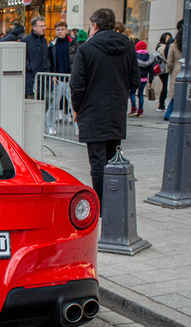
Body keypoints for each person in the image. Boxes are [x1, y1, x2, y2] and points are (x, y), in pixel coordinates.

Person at [70, 8, 140, 207]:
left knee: (97, 162)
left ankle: (101, 204)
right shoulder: (127, 46)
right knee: (113, 159)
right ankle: (114, 201)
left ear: (95, 25)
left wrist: (78, 108)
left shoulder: (85, 49)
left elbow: (76, 85)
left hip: (92, 112)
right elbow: (135, 81)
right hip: (116, 111)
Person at [46, 20, 73, 135]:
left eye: (62, 29)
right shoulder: (52, 45)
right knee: (54, 104)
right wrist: (52, 75)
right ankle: (51, 126)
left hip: (71, 78)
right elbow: (50, 61)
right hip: (58, 78)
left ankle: (78, 126)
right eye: (58, 29)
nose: (60, 31)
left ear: (66, 30)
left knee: (73, 104)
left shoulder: (73, 43)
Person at [22, 16, 51, 99]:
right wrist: (30, 67)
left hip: (43, 77)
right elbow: (21, 58)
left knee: (50, 97)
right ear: (34, 27)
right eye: (41, 26)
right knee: (33, 102)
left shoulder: (44, 40)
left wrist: (48, 69)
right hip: (31, 78)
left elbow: (46, 57)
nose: (44, 28)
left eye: (44, 26)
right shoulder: (26, 40)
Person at [128, 41, 154, 118]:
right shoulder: (149, 57)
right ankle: (141, 111)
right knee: (141, 94)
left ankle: (134, 109)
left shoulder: (135, 56)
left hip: (135, 77)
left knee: (132, 93)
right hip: (144, 78)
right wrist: (150, 80)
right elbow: (151, 70)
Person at [155, 32, 172, 111]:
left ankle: (161, 104)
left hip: (163, 69)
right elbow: (165, 58)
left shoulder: (160, 46)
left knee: (165, 86)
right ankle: (161, 104)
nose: (169, 40)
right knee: (165, 86)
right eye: (167, 38)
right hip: (164, 69)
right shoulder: (162, 47)